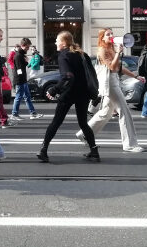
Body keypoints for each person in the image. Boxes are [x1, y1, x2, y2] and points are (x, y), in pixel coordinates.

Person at [77, 28, 144, 152]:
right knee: (124, 112)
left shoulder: (111, 49)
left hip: (113, 82)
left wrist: (135, 76)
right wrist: (118, 53)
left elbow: (119, 68)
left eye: (112, 33)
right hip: (109, 84)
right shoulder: (102, 50)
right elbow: (112, 67)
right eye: (108, 34)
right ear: (102, 37)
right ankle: (129, 144)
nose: (111, 36)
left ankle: (84, 134)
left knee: (105, 113)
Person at [37, 31, 100, 162]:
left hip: (69, 93)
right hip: (83, 93)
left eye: (57, 40)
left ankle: (43, 150)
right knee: (83, 123)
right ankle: (94, 150)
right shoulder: (82, 54)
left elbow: (68, 76)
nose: (55, 42)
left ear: (63, 43)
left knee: (56, 122)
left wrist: (54, 89)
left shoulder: (64, 55)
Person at [11, 37, 42, 121]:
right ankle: (14, 114)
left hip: (22, 80)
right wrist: (21, 79)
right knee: (18, 97)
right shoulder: (18, 56)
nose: (28, 49)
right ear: (22, 45)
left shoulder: (20, 55)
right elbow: (19, 69)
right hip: (20, 80)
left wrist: (26, 62)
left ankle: (33, 113)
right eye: (27, 47)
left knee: (27, 97)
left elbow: (21, 66)